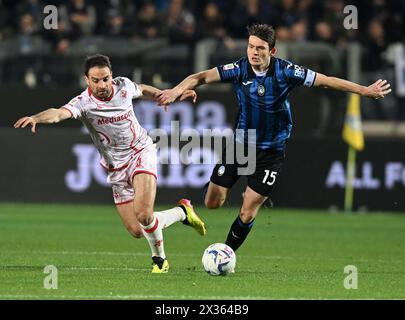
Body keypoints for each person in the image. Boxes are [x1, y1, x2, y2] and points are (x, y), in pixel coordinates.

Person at [157, 23, 391, 253]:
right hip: (241, 146)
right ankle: (187, 209)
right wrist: (175, 90)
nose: (254, 53)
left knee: (248, 211)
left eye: (260, 48)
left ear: (272, 51)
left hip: (271, 152)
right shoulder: (238, 69)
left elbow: (326, 80)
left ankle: (225, 253)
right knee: (212, 203)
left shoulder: (286, 71)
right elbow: (200, 77)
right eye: (250, 47)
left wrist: (364, 90)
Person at [14, 54, 206, 273]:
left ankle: (159, 260)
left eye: (105, 78)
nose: (101, 85)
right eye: (95, 80)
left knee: (144, 214)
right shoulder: (83, 102)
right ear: (87, 80)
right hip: (115, 165)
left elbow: (142, 89)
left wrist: (167, 96)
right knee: (137, 229)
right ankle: (182, 212)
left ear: (111, 76)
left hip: (141, 151)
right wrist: (37, 118)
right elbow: (58, 114)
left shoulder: (123, 86)